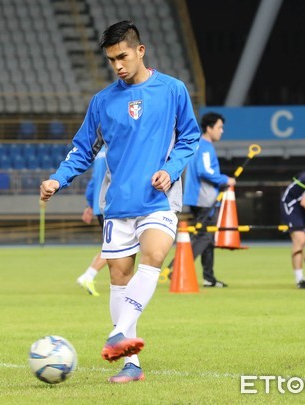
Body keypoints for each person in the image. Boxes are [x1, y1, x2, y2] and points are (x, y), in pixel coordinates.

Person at [40, 20, 200, 383]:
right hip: (118, 205)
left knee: (156, 255)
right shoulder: (102, 102)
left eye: (123, 56)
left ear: (140, 51)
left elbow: (190, 139)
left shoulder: (173, 90)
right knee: (119, 276)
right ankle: (132, 363)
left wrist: (170, 169)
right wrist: (56, 179)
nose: (118, 65)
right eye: (111, 60)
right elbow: (82, 150)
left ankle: (119, 332)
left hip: (157, 198)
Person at [162, 112, 236, 287]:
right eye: (219, 127)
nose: (222, 131)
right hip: (205, 198)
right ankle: (176, 268)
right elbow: (205, 171)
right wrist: (226, 179)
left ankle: (208, 278)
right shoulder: (205, 146)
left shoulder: (197, 145)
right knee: (204, 237)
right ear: (209, 128)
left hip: (198, 197)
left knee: (208, 237)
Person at [76, 146, 107, 297]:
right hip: (113, 205)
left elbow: (94, 182)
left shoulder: (100, 153)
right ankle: (88, 276)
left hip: (99, 206)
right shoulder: (118, 148)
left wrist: (90, 204)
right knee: (115, 246)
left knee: (110, 245)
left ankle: (88, 275)